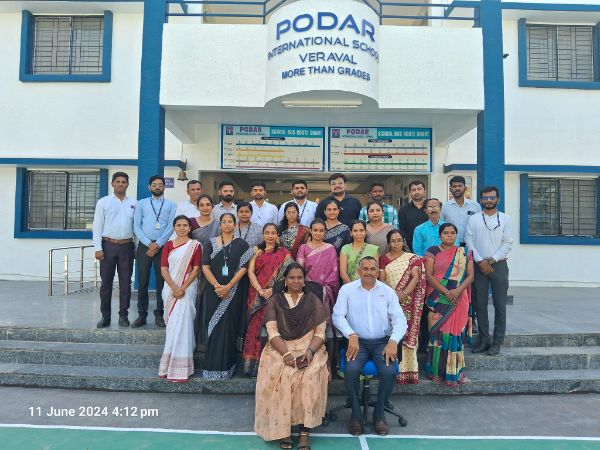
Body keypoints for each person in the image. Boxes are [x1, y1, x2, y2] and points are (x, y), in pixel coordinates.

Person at [254, 263, 329, 450]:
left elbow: (320, 333)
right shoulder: (276, 300)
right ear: (285, 281)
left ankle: (304, 433)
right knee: (282, 375)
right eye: (292, 278)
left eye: (299, 278)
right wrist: (286, 353)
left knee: (310, 376)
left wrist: (310, 352)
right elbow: (272, 332)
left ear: (304, 281)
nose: (296, 281)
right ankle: (284, 430)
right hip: (281, 348)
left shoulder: (313, 300)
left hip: (309, 347)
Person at [332, 256, 408, 436]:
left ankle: (379, 414)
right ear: (358, 271)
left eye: (373, 269)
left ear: (378, 271)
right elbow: (337, 316)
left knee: (389, 371)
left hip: (382, 342)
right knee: (351, 370)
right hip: (357, 342)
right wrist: (350, 334)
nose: (369, 272)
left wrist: (393, 341)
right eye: (365, 269)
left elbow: (400, 320)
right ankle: (356, 415)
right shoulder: (347, 290)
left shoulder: (387, 291)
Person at [201, 213, 253, 379]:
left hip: (234, 292)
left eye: (230, 221)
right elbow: (205, 266)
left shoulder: (242, 244)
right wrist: (217, 286)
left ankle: (227, 368)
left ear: (235, 224)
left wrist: (228, 286)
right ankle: (211, 367)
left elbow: (244, 268)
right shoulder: (211, 243)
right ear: (220, 225)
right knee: (214, 327)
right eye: (224, 221)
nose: (227, 224)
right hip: (214, 292)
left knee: (229, 328)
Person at [424, 223, 474, 386]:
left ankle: (455, 372)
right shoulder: (432, 251)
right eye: (446, 233)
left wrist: (457, 290)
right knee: (438, 336)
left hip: (459, 298)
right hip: (438, 298)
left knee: (455, 335)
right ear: (440, 235)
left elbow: (470, 275)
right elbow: (429, 276)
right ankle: (435, 371)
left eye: (452, 233)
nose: (449, 235)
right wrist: (446, 292)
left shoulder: (464, 252)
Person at [465, 186, 513, 357]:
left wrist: (491, 260)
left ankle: (497, 342)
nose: (489, 200)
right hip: (478, 266)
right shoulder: (474, 219)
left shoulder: (506, 219)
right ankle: (484, 339)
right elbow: (468, 240)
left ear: (497, 199)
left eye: (492, 197)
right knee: (480, 304)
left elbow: (508, 242)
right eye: (485, 198)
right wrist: (480, 261)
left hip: (498, 264)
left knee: (500, 305)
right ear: (481, 200)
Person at [242, 223, 292, 377]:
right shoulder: (256, 251)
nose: (270, 236)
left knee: (272, 329)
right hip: (256, 295)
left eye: (273, 233)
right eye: (267, 233)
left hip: (275, 296)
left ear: (277, 235)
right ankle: (251, 367)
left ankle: (270, 367)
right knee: (254, 329)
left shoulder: (284, 253)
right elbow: (250, 272)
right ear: (263, 235)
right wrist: (259, 289)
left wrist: (273, 290)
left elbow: (289, 275)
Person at [158, 215, 202, 382]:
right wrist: (174, 288)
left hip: (187, 289)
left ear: (190, 228)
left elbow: (196, 269)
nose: (182, 228)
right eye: (179, 225)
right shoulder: (168, 245)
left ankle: (181, 368)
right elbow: (164, 269)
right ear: (174, 227)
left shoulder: (195, 245)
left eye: (185, 225)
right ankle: (167, 365)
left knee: (184, 324)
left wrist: (182, 288)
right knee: (172, 326)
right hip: (170, 289)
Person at [379, 229, 426, 385]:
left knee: (408, 332)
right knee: (392, 334)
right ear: (388, 243)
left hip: (408, 302)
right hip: (389, 300)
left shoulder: (411, 258)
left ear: (403, 241)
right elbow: (382, 279)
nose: (396, 243)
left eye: (399, 240)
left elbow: (416, 277)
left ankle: (409, 371)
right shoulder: (383, 259)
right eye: (393, 241)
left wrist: (403, 294)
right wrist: (394, 295)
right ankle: (391, 370)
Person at [93, 172, 137, 328]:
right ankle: (105, 316)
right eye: (117, 181)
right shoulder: (103, 202)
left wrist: (136, 247)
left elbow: (136, 227)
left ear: (127, 184)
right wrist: (98, 248)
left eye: (124, 182)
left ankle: (123, 316)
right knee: (106, 283)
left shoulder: (134, 203)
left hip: (127, 247)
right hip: (108, 246)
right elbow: (97, 226)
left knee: (126, 283)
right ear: (112, 184)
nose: (121, 184)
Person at [132, 175, 177, 328]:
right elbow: (136, 226)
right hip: (144, 246)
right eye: (154, 184)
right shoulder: (141, 203)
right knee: (142, 281)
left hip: (163, 246)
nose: (157, 187)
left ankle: (160, 314)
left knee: (162, 282)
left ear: (164, 187)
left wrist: (157, 244)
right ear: (149, 187)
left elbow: (171, 226)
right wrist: (149, 244)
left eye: (160, 184)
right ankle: (142, 314)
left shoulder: (171, 205)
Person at [189, 194, 220, 346]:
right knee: (193, 300)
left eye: (208, 204)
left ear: (212, 207)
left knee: (207, 301)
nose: (205, 207)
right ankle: (191, 337)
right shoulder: (191, 223)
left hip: (211, 268)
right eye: (202, 205)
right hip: (193, 267)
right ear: (197, 207)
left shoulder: (218, 225)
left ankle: (205, 337)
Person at [296, 219, 340, 319]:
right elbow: (299, 270)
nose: (318, 233)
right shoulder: (303, 248)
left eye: (321, 230)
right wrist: (305, 286)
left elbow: (334, 271)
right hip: (306, 288)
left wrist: (324, 288)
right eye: (315, 230)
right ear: (310, 231)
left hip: (325, 289)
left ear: (325, 232)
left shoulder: (330, 248)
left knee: (322, 321)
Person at [441, 176, 481, 245]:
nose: (457, 188)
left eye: (460, 186)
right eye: (454, 186)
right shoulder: (444, 207)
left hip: (471, 244)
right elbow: (441, 226)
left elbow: (479, 225)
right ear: (450, 189)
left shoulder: (475, 206)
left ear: (465, 188)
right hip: (450, 245)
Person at [398, 180, 428, 252]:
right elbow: (402, 231)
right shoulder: (403, 210)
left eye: (419, 189)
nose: (416, 192)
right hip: (410, 249)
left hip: (431, 247)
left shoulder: (430, 207)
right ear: (410, 192)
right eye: (413, 190)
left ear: (425, 191)